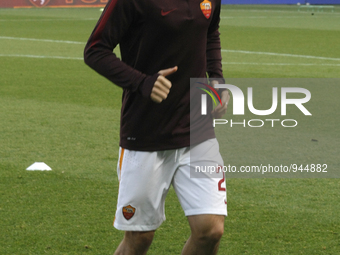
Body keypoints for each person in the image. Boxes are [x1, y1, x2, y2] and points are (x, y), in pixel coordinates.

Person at [84, 0, 229, 253]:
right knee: (140, 238)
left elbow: (211, 30)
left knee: (210, 231)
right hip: (146, 133)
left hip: (198, 129)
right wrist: (142, 83)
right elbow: (95, 50)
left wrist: (216, 78)